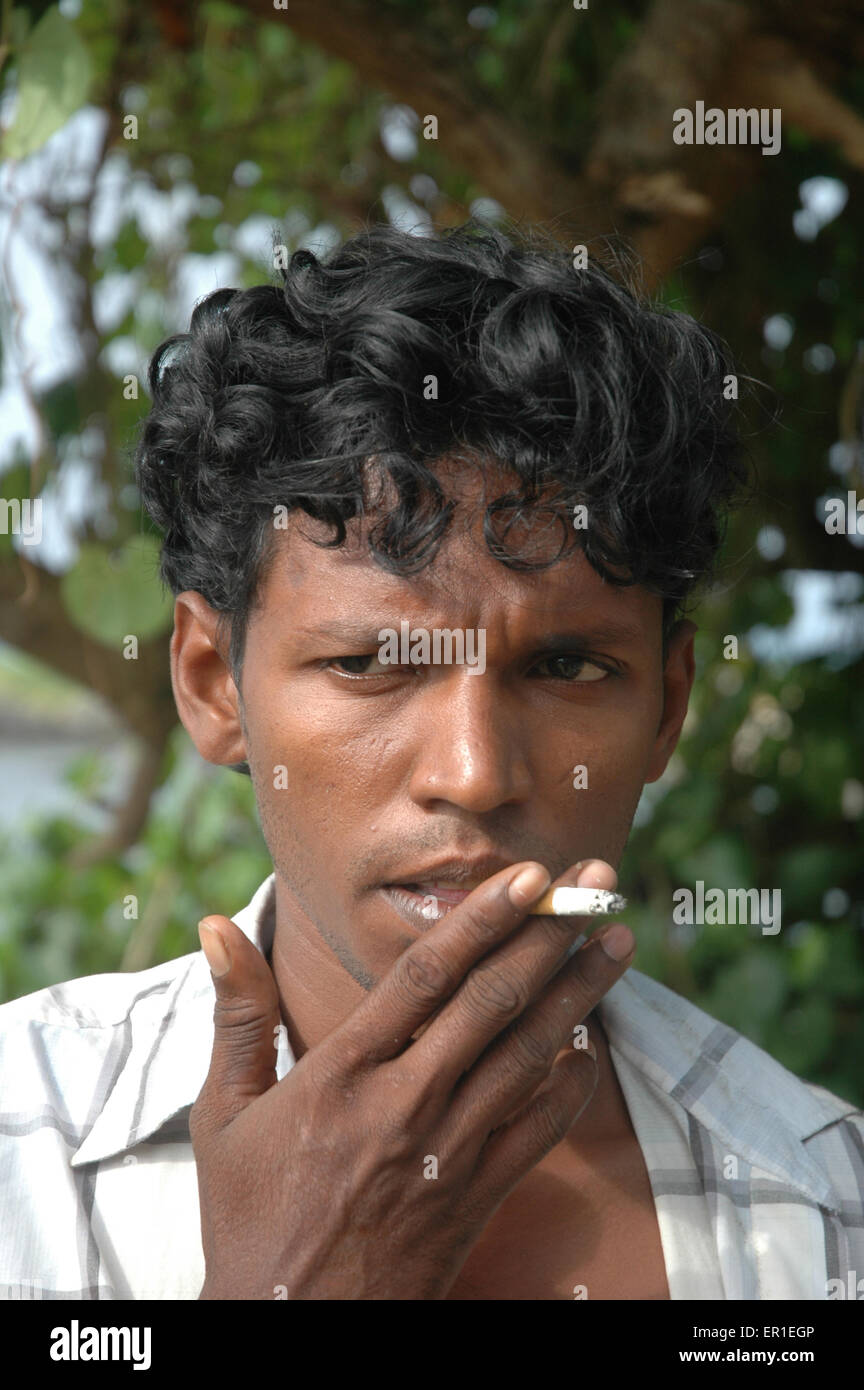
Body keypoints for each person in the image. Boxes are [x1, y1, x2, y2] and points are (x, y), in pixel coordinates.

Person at [1, 219, 861, 1301]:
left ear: (667, 708)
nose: (473, 770)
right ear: (214, 682)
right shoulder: (20, 1157)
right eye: (370, 662)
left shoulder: (822, 1213)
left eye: (567, 665)